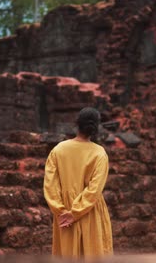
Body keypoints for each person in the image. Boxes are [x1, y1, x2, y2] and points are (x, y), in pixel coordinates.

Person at [43, 107, 113, 259]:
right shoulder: (99, 153)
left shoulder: (58, 150)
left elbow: (50, 186)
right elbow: (94, 190)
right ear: (96, 128)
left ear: (77, 124)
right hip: (90, 210)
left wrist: (62, 212)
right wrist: (75, 212)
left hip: (64, 214)